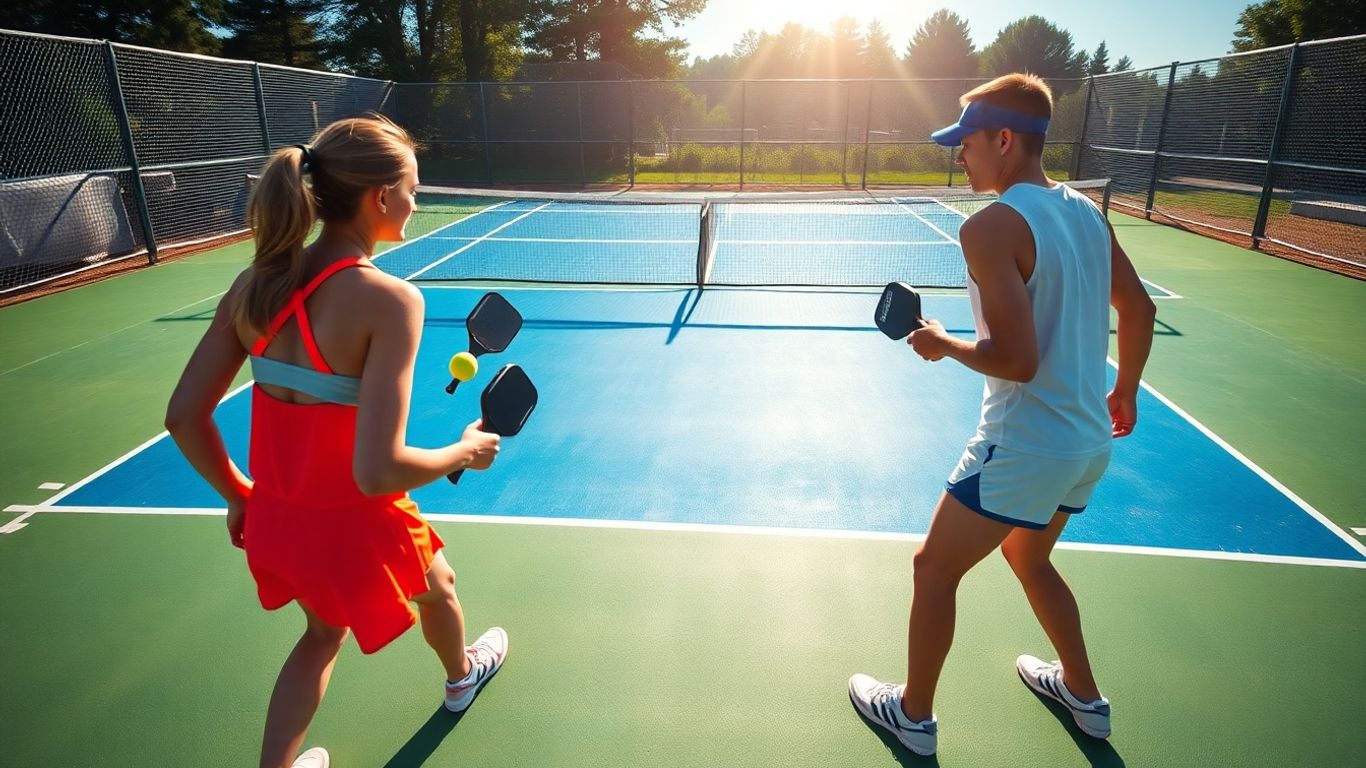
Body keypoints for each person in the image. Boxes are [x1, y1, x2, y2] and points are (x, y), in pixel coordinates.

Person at [165, 116, 508, 768]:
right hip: (358, 521)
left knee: (324, 634)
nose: (415, 203)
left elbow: (184, 415)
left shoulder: (254, 286)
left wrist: (239, 495)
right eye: (412, 189)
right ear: (380, 197)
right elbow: (379, 471)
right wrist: (467, 449)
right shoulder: (390, 300)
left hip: (279, 517)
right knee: (439, 586)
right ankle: (461, 677)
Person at [848, 74, 1156, 756]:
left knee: (933, 569)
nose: (959, 155)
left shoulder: (988, 227)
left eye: (966, 142)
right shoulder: (1086, 212)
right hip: (1087, 443)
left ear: (1005, 140)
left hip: (1024, 444)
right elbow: (1139, 308)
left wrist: (942, 344)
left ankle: (913, 715)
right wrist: (1127, 389)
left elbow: (1015, 359)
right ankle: (1084, 696)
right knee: (1027, 554)